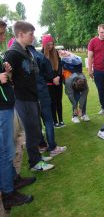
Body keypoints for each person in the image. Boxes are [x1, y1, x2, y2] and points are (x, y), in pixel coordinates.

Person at [4, 21, 55, 171]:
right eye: (31, 34)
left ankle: (37, 157)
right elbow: (8, 77)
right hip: (23, 98)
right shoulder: (12, 53)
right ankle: (34, 163)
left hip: (32, 96)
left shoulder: (26, 51)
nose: (33, 37)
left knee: (36, 129)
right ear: (20, 34)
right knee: (32, 130)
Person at [0, 19, 34, 210]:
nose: (4, 38)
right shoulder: (12, 51)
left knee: (8, 149)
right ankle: (8, 193)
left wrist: (5, 71)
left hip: (6, 105)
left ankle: (13, 179)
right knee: (4, 152)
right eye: (1, 34)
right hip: (2, 108)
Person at [28, 45, 67, 157]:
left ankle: (42, 145)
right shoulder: (39, 56)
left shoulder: (25, 55)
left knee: (37, 121)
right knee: (48, 120)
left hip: (30, 94)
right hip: (41, 91)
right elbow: (49, 73)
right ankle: (52, 147)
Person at [88, 24, 104, 114]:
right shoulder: (93, 41)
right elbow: (90, 56)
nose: (103, 34)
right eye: (101, 32)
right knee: (101, 89)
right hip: (98, 70)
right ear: (98, 32)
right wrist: (90, 70)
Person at [42, 34, 65, 128]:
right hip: (49, 83)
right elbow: (43, 71)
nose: (51, 46)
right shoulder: (42, 56)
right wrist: (52, 79)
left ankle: (61, 120)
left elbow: (59, 67)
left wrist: (58, 77)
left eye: (52, 44)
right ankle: (55, 121)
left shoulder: (56, 53)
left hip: (58, 81)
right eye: (48, 45)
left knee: (59, 101)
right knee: (53, 102)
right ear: (45, 45)